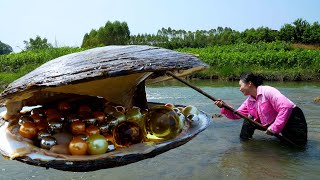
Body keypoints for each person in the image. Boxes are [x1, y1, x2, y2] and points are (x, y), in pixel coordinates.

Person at [214, 72, 308, 146]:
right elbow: (237, 115)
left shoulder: (267, 91)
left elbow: (286, 106)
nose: (240, 89)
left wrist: (274, 127)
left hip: (293, 118)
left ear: (249, 84)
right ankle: (245, 146)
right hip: (275, 120)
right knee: (248, 120)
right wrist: (225, 107)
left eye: (240, 85)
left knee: (298, 148)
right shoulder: (250, 100)